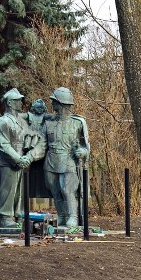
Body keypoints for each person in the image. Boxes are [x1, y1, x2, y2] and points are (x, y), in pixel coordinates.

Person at [41, 87, 89, 228]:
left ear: (61, 104)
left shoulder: (78, 123)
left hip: (69, 161)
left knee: (67, 190)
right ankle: (61, 216)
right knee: (55, 191)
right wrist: (28, 156)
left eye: (54, 102)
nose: (52, 105)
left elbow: (86, 146)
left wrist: (82, 152)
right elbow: (41, 144)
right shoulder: (48, 123)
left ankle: (72, 217)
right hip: (50, 162)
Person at [0, 88, 33, 228]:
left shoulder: (20, 121)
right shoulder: (3, 121)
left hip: (20, 160)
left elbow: (26, 139)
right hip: (9, 161)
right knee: (8, 190)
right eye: (18, 100)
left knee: (19, 192)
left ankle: (18, 215)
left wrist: (28, 155)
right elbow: (4, 145)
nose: (21, 103)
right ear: (10, 103)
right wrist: (18, 158)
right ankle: (5, 217)